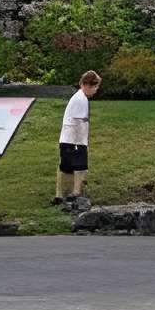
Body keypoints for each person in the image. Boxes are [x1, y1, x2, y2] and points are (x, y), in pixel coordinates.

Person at [54, 69, 99, 211]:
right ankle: (75, 193)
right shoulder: (81, 99)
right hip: (74, 140)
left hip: (68, 139)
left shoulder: (78, 97)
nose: (96, 90)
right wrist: (83, 145)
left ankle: (60, 194)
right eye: (95, 87)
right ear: (87, 85)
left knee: (65, 167)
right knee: (80, 167)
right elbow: (80, 122)